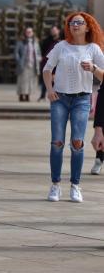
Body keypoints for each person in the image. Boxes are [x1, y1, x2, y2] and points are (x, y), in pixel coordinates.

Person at [43, 12, 104, 203]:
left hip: (82, 100)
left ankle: (75, 186)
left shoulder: (93, 48)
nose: (75, 25)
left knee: (77, 143)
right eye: (71, 23)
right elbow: (47, 69)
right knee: (57, 142)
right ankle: (55, 185)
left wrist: (93, 68)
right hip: (60, 99)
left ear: (88, 27)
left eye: (79, 22)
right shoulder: (61, 46)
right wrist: (49, 90)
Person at [15, 27, 42, 102]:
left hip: (33, 64)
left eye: (30, 32)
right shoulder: (20, 42)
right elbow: (16, 53)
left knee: (30, 80)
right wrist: (19, 61)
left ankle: (27, 95)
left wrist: (38, 59)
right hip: (23, 64)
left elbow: (39, 52)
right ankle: (21, 95)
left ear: (33, 33)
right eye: (27, 32)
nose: (29, 33)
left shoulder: (35, 42)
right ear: (25, 33)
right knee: (22, 80)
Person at [38, 25, 62, 102]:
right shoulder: (47, 41)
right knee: (46, 80)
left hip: (58, 64)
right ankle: (42, 95)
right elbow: (43, 52)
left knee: (56, 81)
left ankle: (56, 95)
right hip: (48, 63)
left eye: (55, 30)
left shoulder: (62, 41)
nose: (53, 32)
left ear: (58, 31)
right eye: (52, 31)